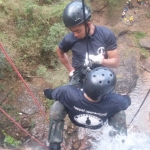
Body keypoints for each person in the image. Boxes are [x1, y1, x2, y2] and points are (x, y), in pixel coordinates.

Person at [44, 67, 131, 150]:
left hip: (75, 119)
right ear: (107, 93)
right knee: (119, 112)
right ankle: (120, 143)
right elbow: (127, 101)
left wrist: (46, 91)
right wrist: (121, 97)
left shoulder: (68, 92)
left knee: (58, 106)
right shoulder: (116, 101)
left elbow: (49, 94)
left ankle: (54, 144)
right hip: (98, 124)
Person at [56, 1, 119, 87]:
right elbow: (60, 52)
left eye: (78, 30)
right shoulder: (70, 39)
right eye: (72, 31)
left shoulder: (106, 35)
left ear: (88, 24)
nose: (75, 34)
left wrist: (102, 61)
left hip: (100, 80)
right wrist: (70, 69)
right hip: (79, 79)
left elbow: (115, 62)